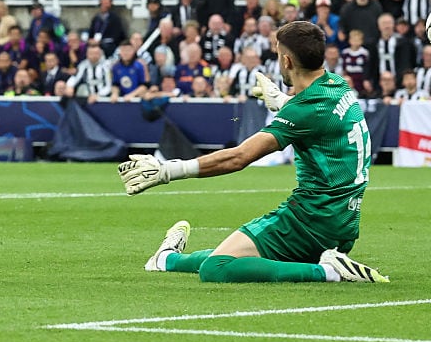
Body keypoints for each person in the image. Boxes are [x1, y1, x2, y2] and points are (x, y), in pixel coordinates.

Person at [119, 21, 388, 284]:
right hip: (343, 225)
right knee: (239, 257)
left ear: (287, 61)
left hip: (309, 222)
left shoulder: (304, 110)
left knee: (216, 267)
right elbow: (320, 117)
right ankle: (166, 259)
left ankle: (330, 272)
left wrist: (167, 171)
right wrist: (282, 101)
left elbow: (239, 157)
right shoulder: (338, 85)